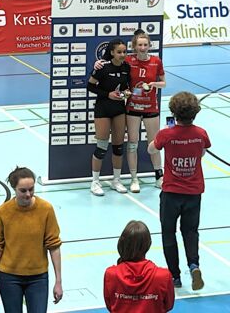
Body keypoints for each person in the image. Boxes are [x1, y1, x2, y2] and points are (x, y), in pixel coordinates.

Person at [148, 91, 211, 290]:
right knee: (191, 231)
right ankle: (193, 265)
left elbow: (151, 149)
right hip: (193, 193)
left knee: (168, 233)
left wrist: (167, 135)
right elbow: (202, 152)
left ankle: (174, 276)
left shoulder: (167, 134)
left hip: (171, 192)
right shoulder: (200, 133)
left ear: (174, 113)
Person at [94, 29, 166, 193]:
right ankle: (134, 179)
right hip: (132, 108)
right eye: (139, 45)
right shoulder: (128, 60)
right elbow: (111, 60)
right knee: (132, 144)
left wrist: (155, 85)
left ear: (149, 46)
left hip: (151, 107)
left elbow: (164, 82)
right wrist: (98, 63)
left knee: (154, 143)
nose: (142, 47)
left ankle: (159, 176)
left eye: (145, 45)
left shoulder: (156, 61)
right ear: (134, 46)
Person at [0, 167, 63, 312]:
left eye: (31, 189)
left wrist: (58, 281)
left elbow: (54, 246)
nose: (28, 194)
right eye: (23, 191)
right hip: (9, 278)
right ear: (14, 189)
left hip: (38, 277)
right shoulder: (2, 213)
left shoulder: (46, 209)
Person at [87, 38, 131, 196]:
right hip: (103, 109)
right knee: (101, 146)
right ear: (112, 52)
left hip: (119, 109)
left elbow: (127, 88)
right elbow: (90, 86)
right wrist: (108, 94)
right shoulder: (103, 67)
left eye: (124, 52)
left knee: (118, 147)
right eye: (119, 52)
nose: (122, 54)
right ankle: (95, 182)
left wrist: (126, 93)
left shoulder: (127, 67)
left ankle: (116, 180)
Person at [104, 220, 174, 313]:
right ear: (148, 245)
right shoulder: (163, 276)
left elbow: (110, 304)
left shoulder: (111, 274)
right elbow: (168, 305)